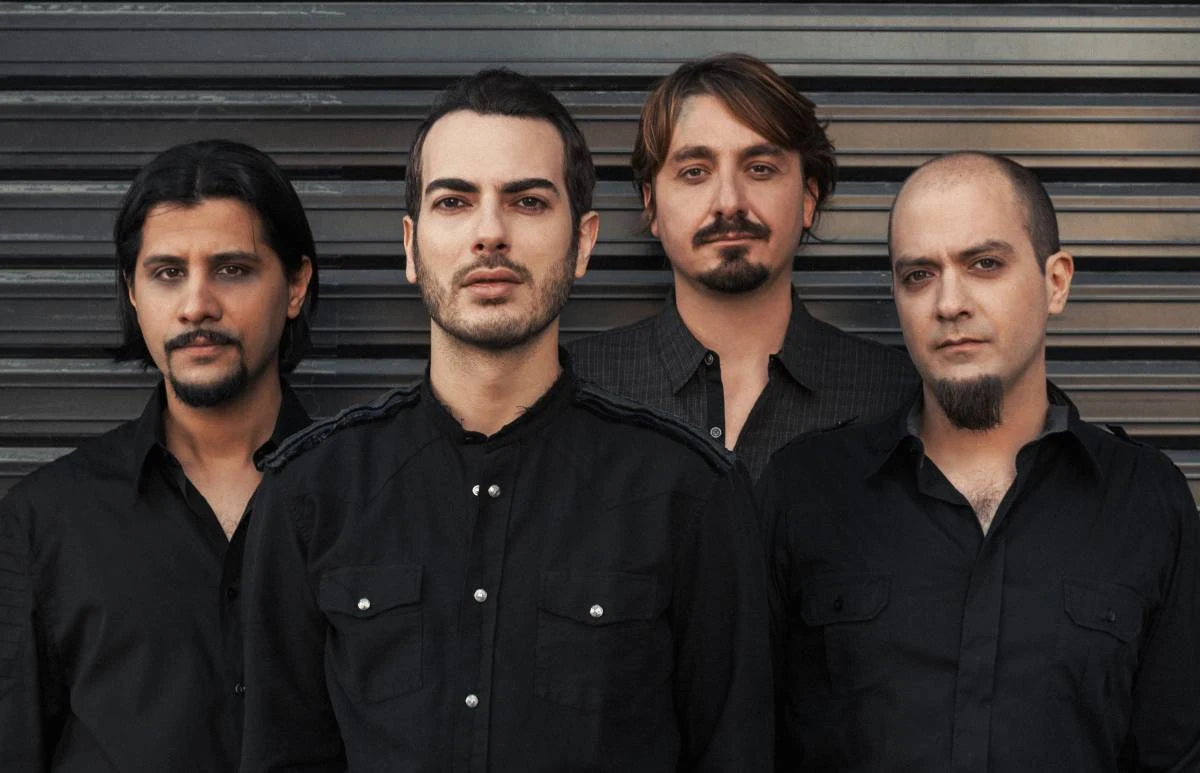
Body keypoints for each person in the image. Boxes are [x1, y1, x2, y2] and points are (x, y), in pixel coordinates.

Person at [240, 69, 770, 772]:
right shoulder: (310, 493)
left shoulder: (689, 493)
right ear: (410, 245)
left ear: (583, 243)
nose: (490, 233)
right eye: (454, 201)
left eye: (527, 201)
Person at [762, 151, 1200, 771]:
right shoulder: (807, 491)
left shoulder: (1146, 501)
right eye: (919, 275)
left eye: (984, 264)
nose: (949, 303)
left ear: (1056, 282)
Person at [0, 139, 318, 772]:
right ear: (133, 292)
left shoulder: (370, 501)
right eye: (168, 273)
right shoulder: (46, 521)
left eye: (233, 269)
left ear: (295, 286)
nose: (197, 305)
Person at [569, 53, 917, 480]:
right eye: (695, 172)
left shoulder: (896, 396)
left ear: (808, 199)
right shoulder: (575, 389)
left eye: (760, 169)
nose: (729, 202)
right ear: (651, 204)